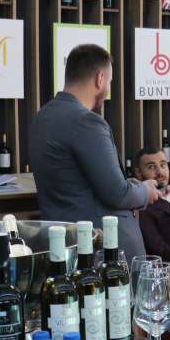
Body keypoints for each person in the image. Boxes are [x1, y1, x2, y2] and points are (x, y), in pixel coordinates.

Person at [29, 43, 158, 262]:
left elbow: (80, 183)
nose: (108, 89)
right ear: (100, 78)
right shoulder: (87, 122)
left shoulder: (41, 119)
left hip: (63, 247)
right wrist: (145, 191)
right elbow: (117, 193)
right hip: (103, 250)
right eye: (110, 82)